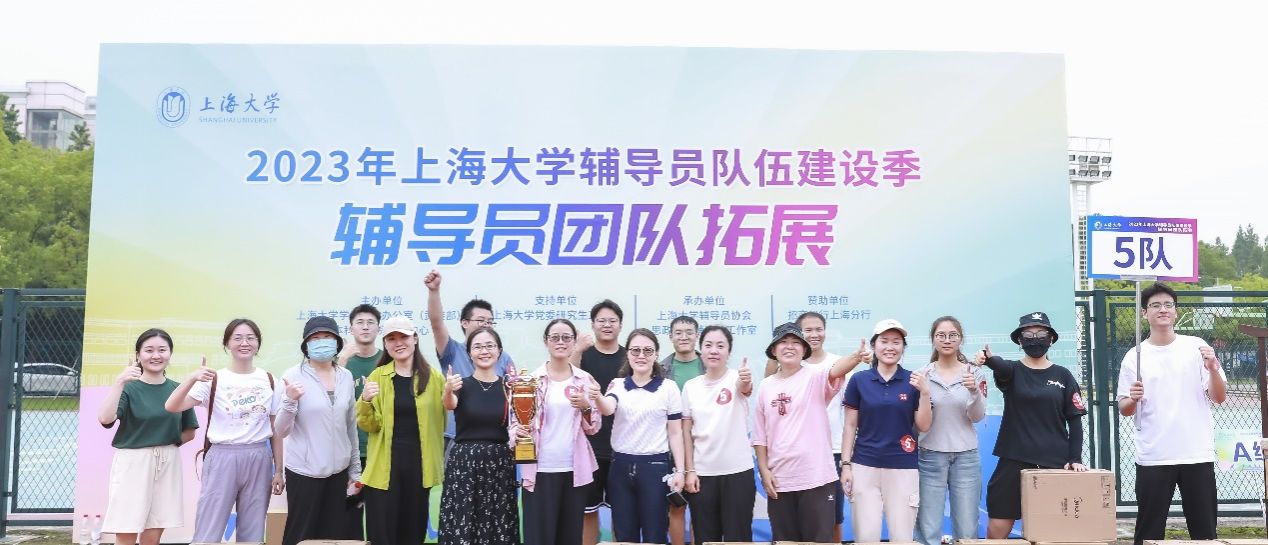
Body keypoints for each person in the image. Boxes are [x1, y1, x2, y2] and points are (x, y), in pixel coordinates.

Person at [1117, 282, 1227, 545]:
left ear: (1176, 311)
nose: (1163, 309)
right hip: (1154, 455)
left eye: (1168, 304)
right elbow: (1124, 408)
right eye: (1155, 305)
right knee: (1148, 532)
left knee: (1205, 532)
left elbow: (1219, 397)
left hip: (1196, 453)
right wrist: (1133, 398)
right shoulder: (1135, 356)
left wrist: (1213, 369)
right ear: (1144, 313)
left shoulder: (1197, 347)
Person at [165, 318, 285, 544]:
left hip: (259, 456)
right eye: (237, 338)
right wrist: (192, 378)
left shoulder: (269, 380)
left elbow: (276, 429)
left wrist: (278, 470)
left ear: (258, 343)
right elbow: (172, 406)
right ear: (227, 343)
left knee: (253, 531)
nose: (244, 343)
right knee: (208, 529)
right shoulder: (214, 379)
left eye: (250, 338)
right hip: (222, 456)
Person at [974, 311, 1087, 538]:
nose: (1035, 339)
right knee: (998, 525)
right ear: (1019, 340)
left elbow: (1075, 420)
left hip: (1054, 462)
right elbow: (1001, 367)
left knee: (1049, 530)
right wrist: (990, 359)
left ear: (1051, 339)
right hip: (1014, 458)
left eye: (1041, 334)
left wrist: (1075, 459)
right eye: (1028, 335)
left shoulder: (1063, 376)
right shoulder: (1012, 371)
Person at [753, 321, 866, 543]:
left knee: (819, 540)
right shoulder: (765, 386)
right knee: (785, 540)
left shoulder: (814, 377)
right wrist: (764, 470)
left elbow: (836, 369)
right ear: (774, 350)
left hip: (816, 477)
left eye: (795, 342)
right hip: (780, 480)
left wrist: (856, 357)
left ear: (804, 349)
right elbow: (759, 435)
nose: (789, 346)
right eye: (783, 342)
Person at [98, 329, 199, 545]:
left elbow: (189, 431)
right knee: (126, 525)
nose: (156, 355)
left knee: (156, 527)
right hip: (134, 461)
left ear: (170, 354)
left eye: (162, 350)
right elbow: (105, 419)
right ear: (138, 355)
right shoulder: (129, 388)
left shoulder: (177, 388)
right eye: (149, 350)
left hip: (168, 461)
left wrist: (164, 445)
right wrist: (119, 382)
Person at [840, 319, 933, 543]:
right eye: (884, 341)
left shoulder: (913, 380)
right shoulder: (859, 380)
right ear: (874, 345)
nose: (890, 347)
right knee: (866, 536)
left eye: (896, 342)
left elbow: (924, 426)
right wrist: (846, 465)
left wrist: (925, 393)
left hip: (903, 466)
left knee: (902, 537)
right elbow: (850, 425)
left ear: (903, 347)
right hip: (864, 465)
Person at [356, 315, 445, 545]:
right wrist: (365, 400)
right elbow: (368, 425)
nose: (398, 343)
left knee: (413, 532)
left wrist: (453, 394)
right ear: (385, 344)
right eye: (391, 339)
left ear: (415, 339)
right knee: (382, 534)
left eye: (403, 337)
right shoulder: (378, 376)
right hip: (384, 469)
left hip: (419, 468)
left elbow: (443, 419)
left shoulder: (434, 378)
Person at [274, 316, 362, 545]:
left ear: (337, 343)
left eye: (327, 337)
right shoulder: (292, 376)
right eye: (315, 338)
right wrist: (290, 400)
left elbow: (350, 427)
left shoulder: (346, 377)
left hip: (338, 472)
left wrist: (355, 471)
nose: (322, 342)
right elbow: (281, 431)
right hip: (304, 472)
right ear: (306, 345)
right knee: (300, 534)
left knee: (334, 535)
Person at [594, 328, 687, 544]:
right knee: (624, 535)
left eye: (648, 350)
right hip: (620, 467)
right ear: (627, 354)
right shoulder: (618, 384)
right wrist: (596, 396)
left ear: (656, 354)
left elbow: (675, 433)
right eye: (635, 350)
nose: (641, 356)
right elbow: (607, 408)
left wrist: (680, 471)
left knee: (655, 534)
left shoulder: (669, 388)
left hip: (655, 468)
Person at [516, 319, 603, 545]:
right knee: (538, 538)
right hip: (539, 470)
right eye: (555, 337)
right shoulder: (530, 381)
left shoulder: (584, 380)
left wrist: (585, 406)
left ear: (574, 342)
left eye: (566, 337)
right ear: (546, 341)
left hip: (574, 470)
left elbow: (593, 427)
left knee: (570, 537)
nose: (561, 342)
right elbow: (515, 425)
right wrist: (518, 433)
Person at [437, 327, 519, 545]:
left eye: (490, 346)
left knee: (498, 522)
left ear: (499, 351)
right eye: (478, 347)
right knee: (463, 521)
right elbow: (450, 404)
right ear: (469, 353)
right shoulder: (460, 384)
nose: (484, 351)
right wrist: (448, 389)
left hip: (499, 463)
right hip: (464, 464)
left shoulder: (510, 387)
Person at [424, 270, 514, 459]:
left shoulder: (503, 357)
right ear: (464, 323)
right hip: (457, 438)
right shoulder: (452, 351)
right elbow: (436, 323)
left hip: (497, 440)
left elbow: (515, 398)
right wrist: (434, 291)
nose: (486, 324)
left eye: (490, 321)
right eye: (480, 320)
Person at [915, 316, 986, 545]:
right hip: (930, 455)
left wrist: (974, 392)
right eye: (941, 335)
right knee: (927, 528)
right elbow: (919, 421)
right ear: (933, 339)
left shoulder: (974, 373)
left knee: (966, 527)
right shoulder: (922, 375)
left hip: (966, 457)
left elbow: (977, 416)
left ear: (961, 339)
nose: (947, 340)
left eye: (953, 335)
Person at [681, 325, 755, 543]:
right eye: (708, 345)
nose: (714, 350)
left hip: (738, 473)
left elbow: (745, 387)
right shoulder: (691, 387)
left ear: (728, 352)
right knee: (706, 537)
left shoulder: (736, 378)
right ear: (700, 349)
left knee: (738, 537)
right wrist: (690, 471)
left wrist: (745, 379)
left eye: (720, 346)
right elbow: (686, 432)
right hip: (702, 475)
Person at [571, 299, 627, 545]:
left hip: (622, 446)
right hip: (588, 447)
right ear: (592, 325)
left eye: (612, 321)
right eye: (601, 320)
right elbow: (568, 381)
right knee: (588, 510)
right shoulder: (583, 355)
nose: (607, 325)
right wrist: (577, 350)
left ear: (620, 325)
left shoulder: (629, 357)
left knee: (622, 511)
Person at [659, 315, 701, 545]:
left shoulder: (710, 364)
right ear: (670, 337)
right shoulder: (660, 369)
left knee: (700, 507)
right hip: (670, 446)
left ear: (697, 335)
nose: (684, 337)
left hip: (703, 445)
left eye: (689, 332)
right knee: (676, 504)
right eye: (678, 332)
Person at [340, 303, 381, 536]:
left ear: (378, 329)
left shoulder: (386, 360)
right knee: (349, 515)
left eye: (370, 323)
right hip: (348, 452)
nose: (365, 327)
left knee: (379, 514)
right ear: (351, 329)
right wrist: (342, 359)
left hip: (378, 452)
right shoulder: (341, 362)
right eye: (360, 323)